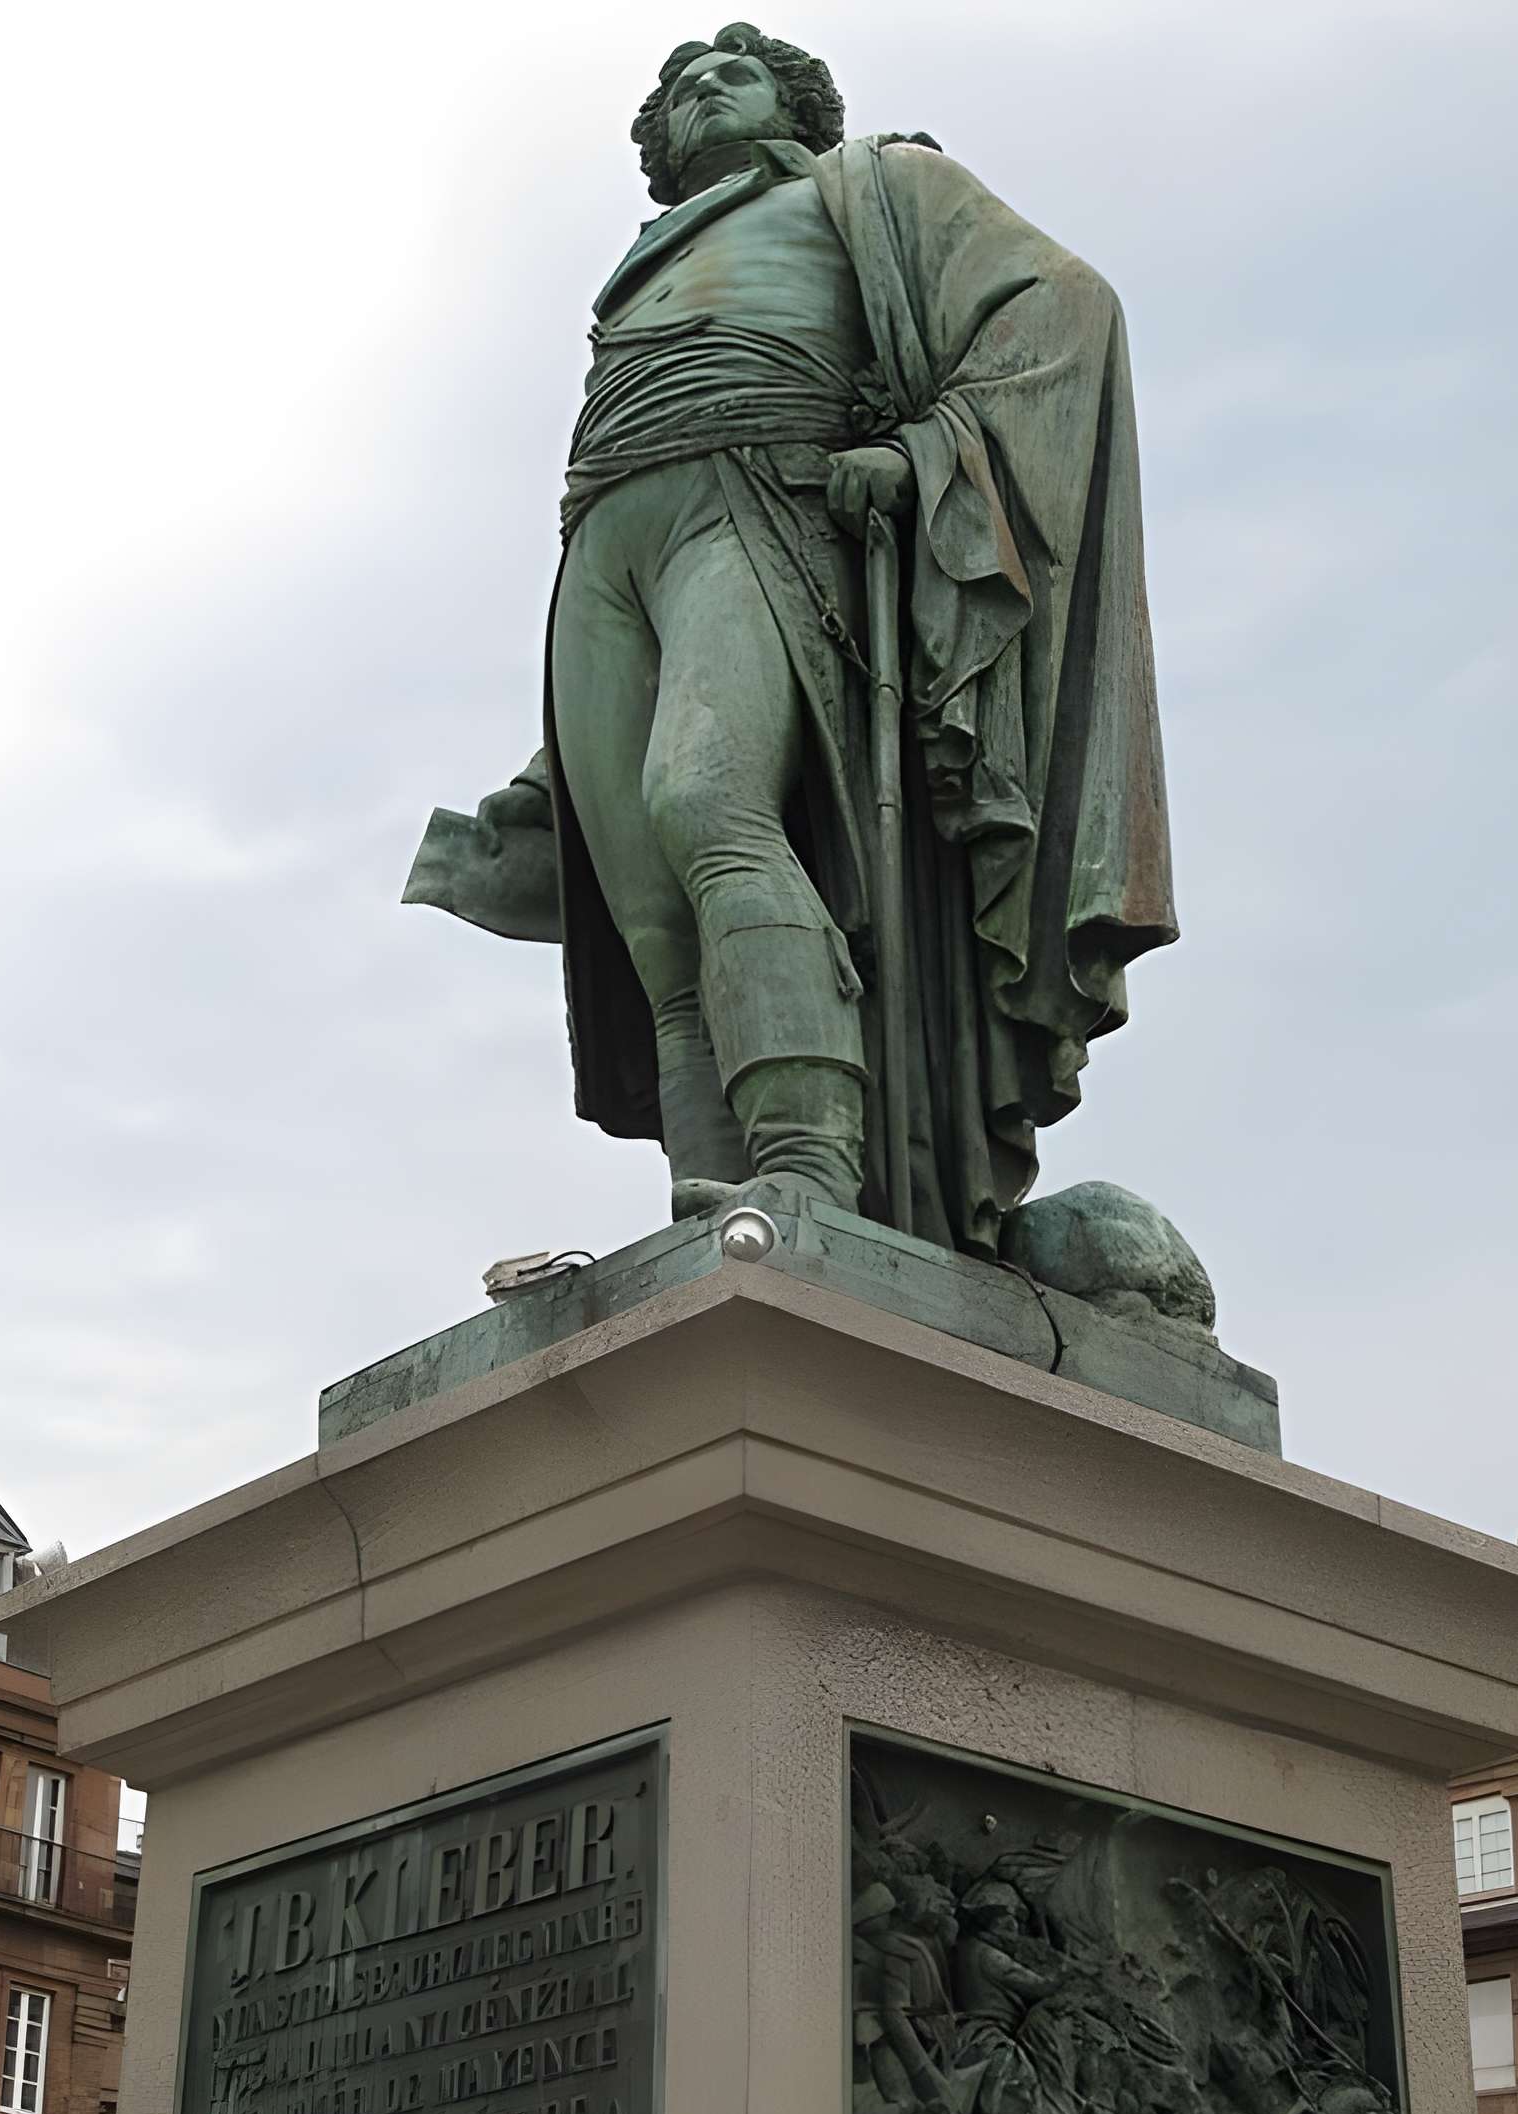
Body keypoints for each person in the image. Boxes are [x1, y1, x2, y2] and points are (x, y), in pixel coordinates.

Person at [406, 24, 1175, 1255]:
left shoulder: (874, 181)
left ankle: (810, 1165)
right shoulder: (638, 261)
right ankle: (706, 1198)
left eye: (738, 71)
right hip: (603, 536)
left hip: (761, 500)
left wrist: (926, 452)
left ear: (799, 102)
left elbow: (1064, 305)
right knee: (647, 908)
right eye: (682, 85)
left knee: (703, 802)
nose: (707, 86)